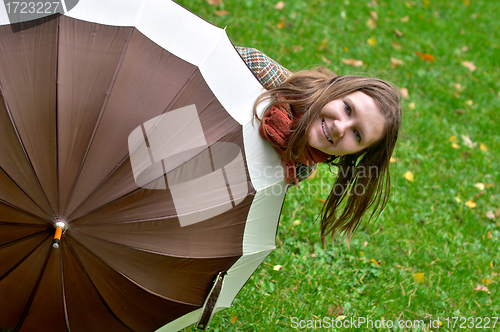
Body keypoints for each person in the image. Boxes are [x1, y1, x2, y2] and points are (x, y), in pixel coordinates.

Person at [236, 46, 402, 243]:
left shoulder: (300, 167)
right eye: (347, 108)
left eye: (357, 135)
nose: (340, 128)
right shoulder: (258, 72)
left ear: (357, 153)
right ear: (335, 90)